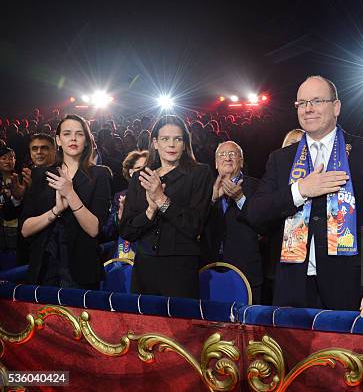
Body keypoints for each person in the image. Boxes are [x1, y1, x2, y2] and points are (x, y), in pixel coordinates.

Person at [246, 75, 363, 318]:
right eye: (302, 103)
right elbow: (255, 215)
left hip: (352, 289)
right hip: (292, 288)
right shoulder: (281, 158)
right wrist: (300, 190)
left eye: (317, 101)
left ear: (336, 107)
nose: (308, 108)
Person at [119, 115, 213, 298]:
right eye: (165, 139)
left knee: (178, 325)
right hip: (144, 268)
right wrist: (150, 210)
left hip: (180, 270)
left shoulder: (200, 173)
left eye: (177, 139)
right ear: (155, 143)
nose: (171, 144)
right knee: (143, 325)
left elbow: (194, 225)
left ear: (185, 143)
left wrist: (161, 200)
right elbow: (126, 231)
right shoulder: (140, 177)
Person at [20, 114, 112, 289]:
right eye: (67, 133)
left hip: (81, 270)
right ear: (58, 140)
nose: (73, 138)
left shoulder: (99, 174)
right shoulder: (42, 175)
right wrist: (55, 211)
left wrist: (70, 194)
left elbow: (94, 229)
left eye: (79, 134)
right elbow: (25, 229)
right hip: (43, 266)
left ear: (86, 140)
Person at [203, 141, 263, 302]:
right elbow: (194, 222)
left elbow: (262, 222)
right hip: (210, 267)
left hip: (246, 269)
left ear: (242, 161)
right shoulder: (204, 188)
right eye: (222, 155)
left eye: (233, 154)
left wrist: (240, 198)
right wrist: (212, 199)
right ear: (215, 163)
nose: (227, 158)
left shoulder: (257, 186)